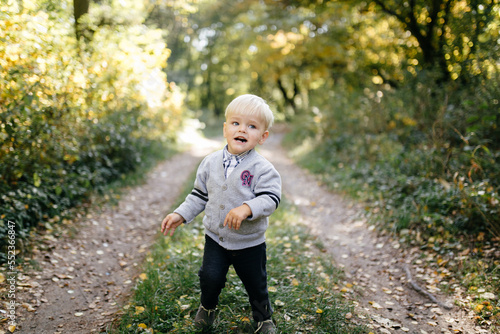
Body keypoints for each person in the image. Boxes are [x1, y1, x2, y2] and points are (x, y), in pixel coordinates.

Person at [161, 94, 281, 334]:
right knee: (210, 278)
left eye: (252, 126)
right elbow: (198, 195)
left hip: (249, 242)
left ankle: (263, 319)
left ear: (263, 136)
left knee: (256, 284)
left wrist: (248, 208)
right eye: (236, 123)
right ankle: (207, 308)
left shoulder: (263, 169)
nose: (242, 130)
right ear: (226, 128)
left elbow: (271, 199)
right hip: (215, 238)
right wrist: (181, 214)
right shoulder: (209, 163)